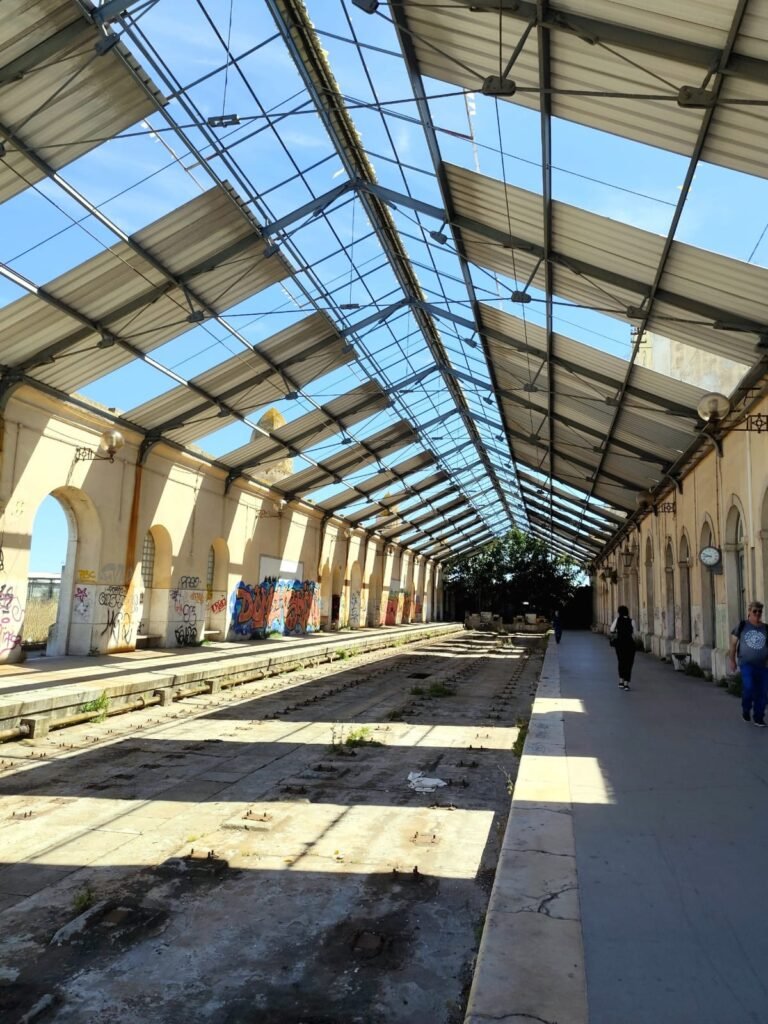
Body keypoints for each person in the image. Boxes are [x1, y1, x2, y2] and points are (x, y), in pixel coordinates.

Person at [728, 601, 767, 727]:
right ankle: (746, 709)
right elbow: (733, 644)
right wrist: (732, 660)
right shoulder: (742, 625)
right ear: (749, 611)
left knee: (763, 692)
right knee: (749, 688)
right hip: (746, 664)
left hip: (763, 665)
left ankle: (759, 717)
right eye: (755, 611)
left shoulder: (766, 628)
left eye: (760, 611)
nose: (757, 614)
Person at [609, 605, 636, 690]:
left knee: (621, 662)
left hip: (620, 644)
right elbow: (635, 633)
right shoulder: (632, 621)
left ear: (619, 612)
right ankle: (626, 684)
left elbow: (611, 629)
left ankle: (621, 681)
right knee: (629, 664)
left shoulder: (617, 620)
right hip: (630, 645)